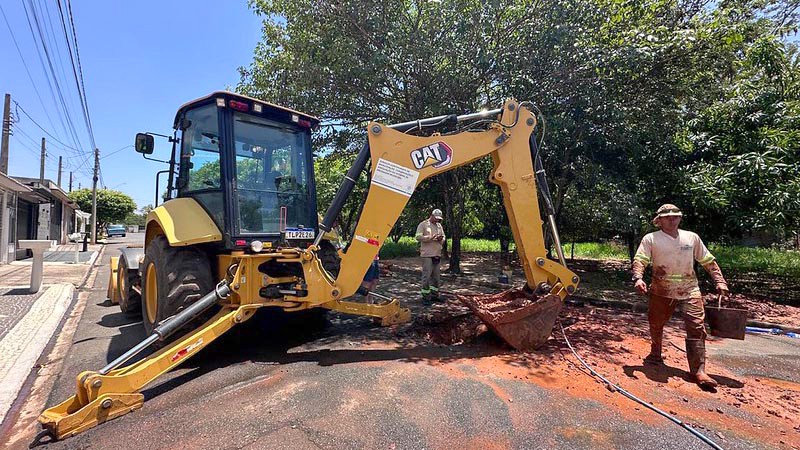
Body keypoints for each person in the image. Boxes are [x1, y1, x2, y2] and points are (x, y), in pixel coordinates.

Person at [632, 204, 729, 389]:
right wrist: (638, 278)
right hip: (661, 289)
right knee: (656, 322)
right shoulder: (651, 239)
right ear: (658, 220)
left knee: (696, 327)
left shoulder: (691, 237)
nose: (672, 219)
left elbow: (708, 260)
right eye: (667, 216)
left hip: (689, 289)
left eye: (676, 216)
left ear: (680, 218)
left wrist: (720, 281)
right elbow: (640, 260)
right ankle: (655, 352)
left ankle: (698, 371)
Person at [415, 208, 445, 302]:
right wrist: (430, 238)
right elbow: (418, 237)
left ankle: (435, 295)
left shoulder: (439, 226)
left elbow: (444, 238)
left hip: (437, 254)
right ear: (431, 216)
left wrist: (441, 239)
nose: (437, 220)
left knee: (436, 277)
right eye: (436, 218)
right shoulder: (423, 224)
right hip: (427, 254)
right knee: (426, 277)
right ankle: (426, 297)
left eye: (439, 219)